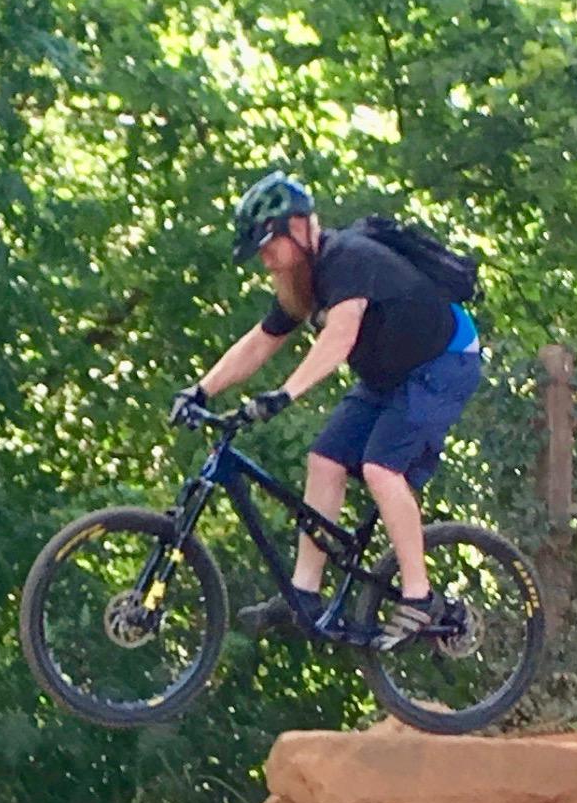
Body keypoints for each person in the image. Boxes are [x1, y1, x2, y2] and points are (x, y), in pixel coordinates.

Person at [172, 172, 484, 651]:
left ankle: (419, 597)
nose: (265, 258)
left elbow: (339, 338)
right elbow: (260, 342)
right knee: (325, 459)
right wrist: (200, 390)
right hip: (388, 375)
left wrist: (285, 394)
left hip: (444, 362)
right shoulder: (300, 282)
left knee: (381, 468)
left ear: (298, 227)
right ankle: (305, 593)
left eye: (268, 244)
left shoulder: (347, 260)